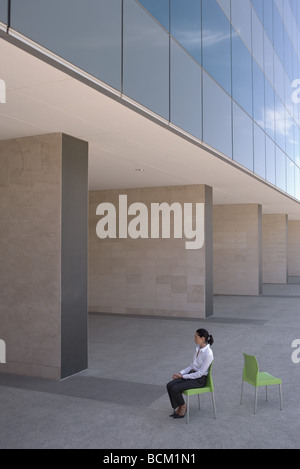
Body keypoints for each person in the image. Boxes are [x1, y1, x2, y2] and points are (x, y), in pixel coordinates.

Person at [166, 328, 214, 418]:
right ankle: (180, 405)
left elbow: (200, 373)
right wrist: (180, 373)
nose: (194, 338)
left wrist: (184, 376)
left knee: (175, 388)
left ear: (202, 338)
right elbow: (192, 366)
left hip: (199, 380)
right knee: (169, 385)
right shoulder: (198, 349)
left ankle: (183, 407)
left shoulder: (208, 354)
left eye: (196, 337)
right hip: (192, 375)